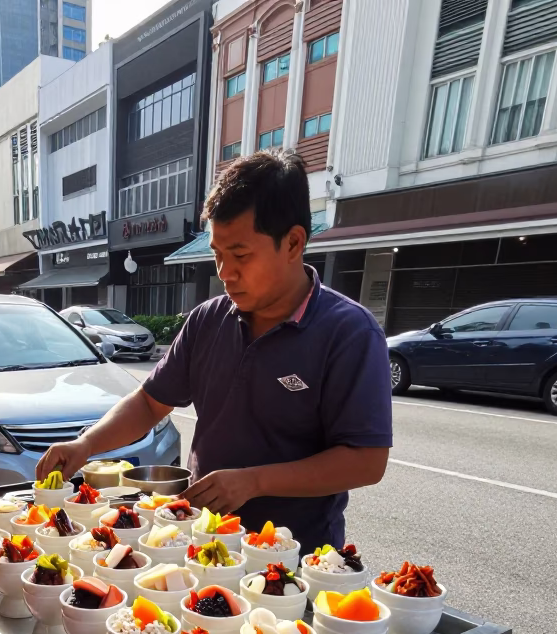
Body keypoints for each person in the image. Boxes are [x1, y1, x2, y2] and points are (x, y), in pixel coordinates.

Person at [36, 150, 393, 554]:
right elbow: (149, 403)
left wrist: (253, 481)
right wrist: (85, 445)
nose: (225, 273)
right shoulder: (208, 319)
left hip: (296, 557)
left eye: (240, 255)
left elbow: (366, 461)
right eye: (217, 254)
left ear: (293, 242)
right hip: (201, 542)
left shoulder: (349, 332)